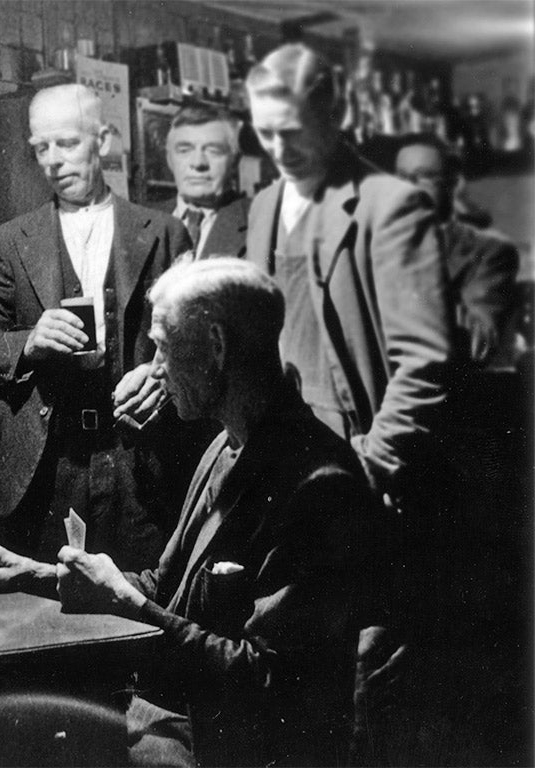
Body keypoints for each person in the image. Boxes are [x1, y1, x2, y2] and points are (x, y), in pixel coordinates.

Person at [0, 258, 385, 767]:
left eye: (162, 346)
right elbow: (163, 588)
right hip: (176, 727)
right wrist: (38, 576)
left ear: (216, 346)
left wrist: (127, 607)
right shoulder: (223, 448)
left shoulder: (320, 485)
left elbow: (269, 680)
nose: (153, 369)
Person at [243, 42, 456, 763]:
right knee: (290, 700)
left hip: (364, 494)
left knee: (367, 702)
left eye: (294, 131)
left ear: (335, 113)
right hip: (286, 491)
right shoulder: (266, 205)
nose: (279, 149)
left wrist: (370, 468)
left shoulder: (392, 207)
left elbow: (424, 362)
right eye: (265, 133)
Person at [0, 83, 192, 572]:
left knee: (143, 607)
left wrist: (162, 375)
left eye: (67, 143)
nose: (53, 161)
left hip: (141, 466)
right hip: (48, 468)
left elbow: (196, 342)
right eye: (41, 148)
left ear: (103, 141)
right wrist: (29, 342)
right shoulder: (8, 242)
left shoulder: (164, 234)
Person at [395, 133, 519, 366]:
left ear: (452, 182)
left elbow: (478, 341)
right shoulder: (373, 243)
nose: (408, 188)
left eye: (424, 176)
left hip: (449, 391)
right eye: (401, 177)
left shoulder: (490, 251)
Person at [152, 104, 251, 259]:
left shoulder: (261, 221)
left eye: (213, 151)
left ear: (235, 162)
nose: (198, 163)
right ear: (169, 159)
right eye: (184, 150)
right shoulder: (140, 220)